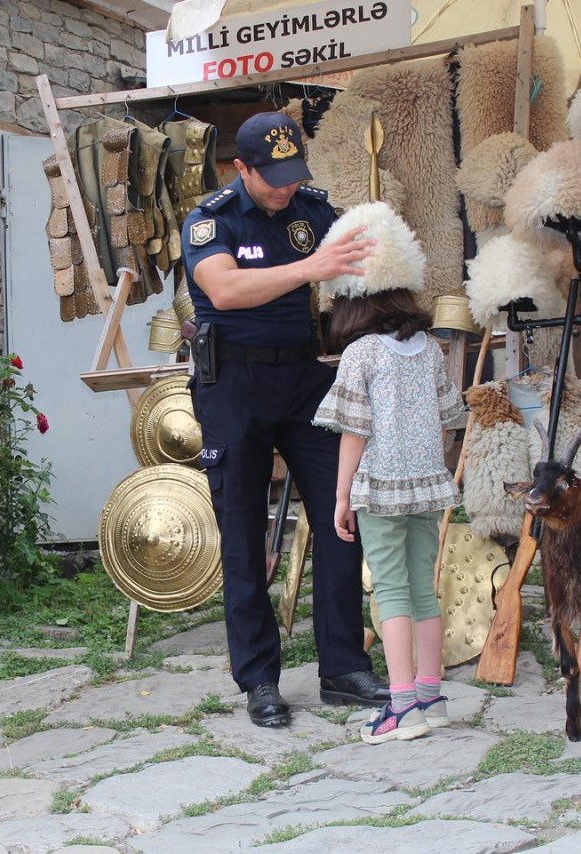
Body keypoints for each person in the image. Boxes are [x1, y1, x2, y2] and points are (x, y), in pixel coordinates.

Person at [181, 111, 389, 728]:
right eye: (273, 177)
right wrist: (309, 270)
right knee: (244, 534)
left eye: (293, 173)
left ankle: (343, 668)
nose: (285, 187)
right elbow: (223, 291)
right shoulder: (212, 220)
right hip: (234, 384)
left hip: (304, 378)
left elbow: (364, 262)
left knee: (341, 516)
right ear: (240, 168)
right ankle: (259, 680)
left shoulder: (312, 210)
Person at [312, 202, 465, 744]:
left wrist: (341, 497)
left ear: (354, 296)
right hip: (426, 486)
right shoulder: (431, 350)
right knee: (424, 588)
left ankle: (401, 708)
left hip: (378, 488)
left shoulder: (361, 354)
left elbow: (353, 432)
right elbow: (448, 419)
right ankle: (431, 695)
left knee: (391, 592)